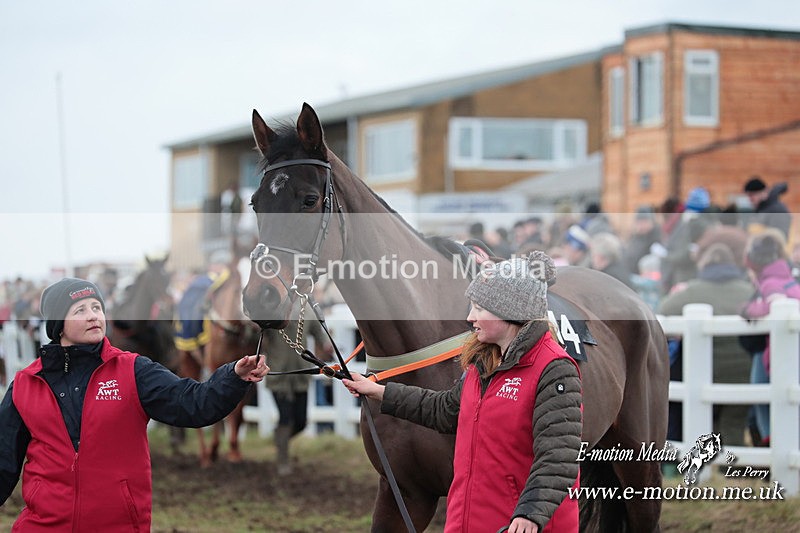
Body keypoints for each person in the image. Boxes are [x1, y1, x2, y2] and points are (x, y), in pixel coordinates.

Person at [0, 277, 268, 531]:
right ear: (58, 325)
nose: (93, 315)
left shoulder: (133, 370)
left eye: (96, 307)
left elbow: (194, 403)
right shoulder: (26, 385)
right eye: (80, 310)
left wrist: (233, 377)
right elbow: (3, 462)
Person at [343, 251, 582, 533]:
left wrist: (530, 514)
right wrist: (377, 391)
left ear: (510, 311)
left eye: (479, 308)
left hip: (522, 525)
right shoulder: (483, 363)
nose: (470, 317)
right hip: (468, 521)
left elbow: (559, 456)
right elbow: (445, 410)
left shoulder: (554, 369)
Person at [658, 243, 754, 445]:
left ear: (704, 265)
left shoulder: (692, 291)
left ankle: (711, 460)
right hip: (743, 372)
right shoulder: (749, 291)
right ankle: (735, 461)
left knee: (704, 424)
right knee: (734, 424)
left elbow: (663, 310)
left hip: (704, 371)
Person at [740, 229, 800, 445]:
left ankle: (773, 445)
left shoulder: (770, 283)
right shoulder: (791, 280)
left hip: (777, 354)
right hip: (787, 351)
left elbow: (776, 305)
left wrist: (748, 309)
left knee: (764, 399)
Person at [264, 304, 331, 476]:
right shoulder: (271, 310)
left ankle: (280, 439)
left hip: (301, 374)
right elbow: (257, 334)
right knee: (285, 418)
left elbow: (318, 333)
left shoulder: (306, 311)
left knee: (301, 421)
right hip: (279, 375)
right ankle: (283, 460)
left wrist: (325, 345)